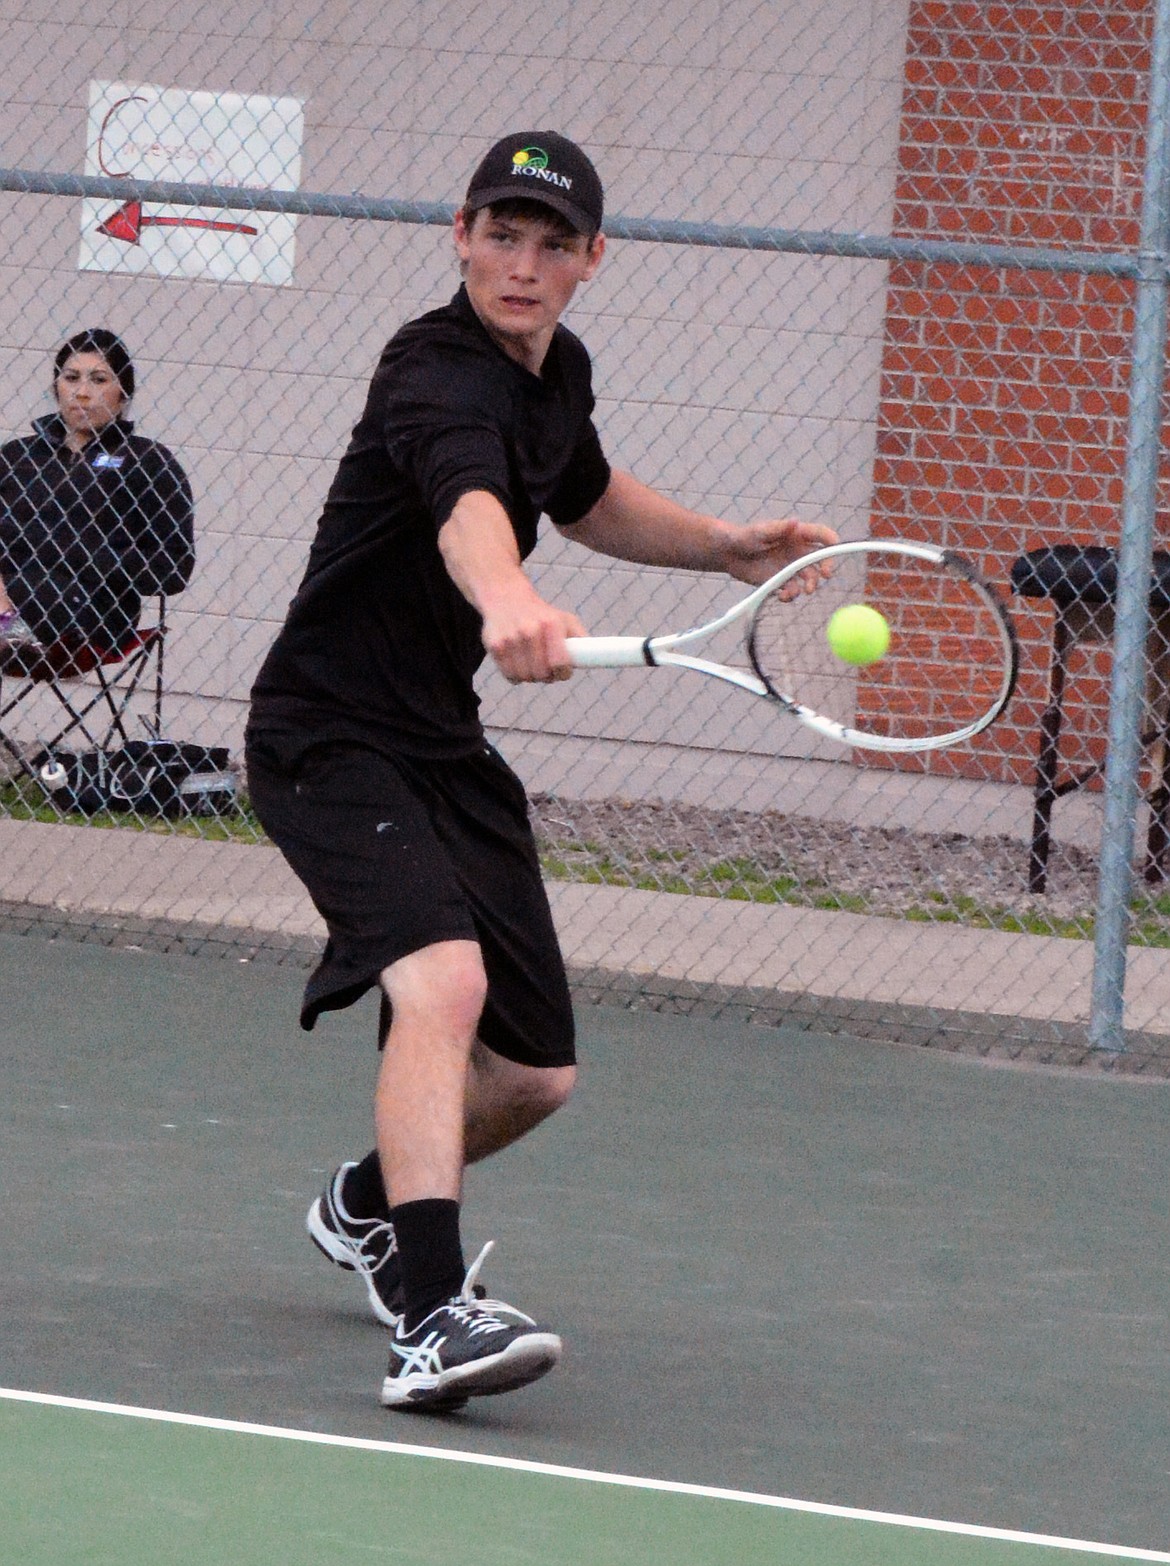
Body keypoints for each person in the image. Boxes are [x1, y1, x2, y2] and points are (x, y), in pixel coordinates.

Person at [245, 130, 837, 1415]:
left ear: (591, 261)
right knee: (442, 980)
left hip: (440, 745)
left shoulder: (555, 368)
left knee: (533, 1074)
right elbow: (468, 502)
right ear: (458, 237)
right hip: (325, 732)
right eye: (500, 235)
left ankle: (366, 1205)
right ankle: (430, 1319)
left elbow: (579, 489)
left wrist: (722, 546)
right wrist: (508, 596)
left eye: (550, 242)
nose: (521, 264)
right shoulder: (430, 369)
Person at [0, 328, 195, 651]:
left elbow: (173, 570)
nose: (82, 392)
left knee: (48, 590)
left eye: (99, 379)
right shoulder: (16, 457)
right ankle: (8, 625)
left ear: (123, 393)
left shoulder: (147, 461)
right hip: (9, 599)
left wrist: (79, 552)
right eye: (72, 378)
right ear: (56, 387)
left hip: (91, 614)